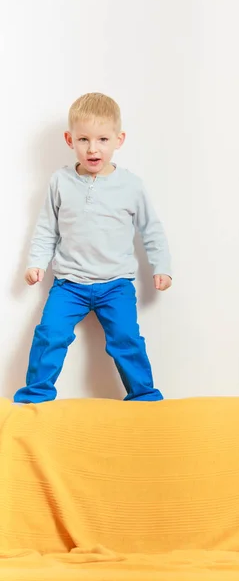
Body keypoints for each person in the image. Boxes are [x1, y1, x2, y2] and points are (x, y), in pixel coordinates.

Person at [14, 93, 171, 404]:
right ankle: (35, 396)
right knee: (50, 335)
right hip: (69, 284)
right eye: (83, 139)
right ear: (69, 139)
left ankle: (145, 396)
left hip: (115, 285)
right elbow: (47, 228)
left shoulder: (131, 185)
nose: (93, 148)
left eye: (102, 139)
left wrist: (161, 266)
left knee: (126, 340)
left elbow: (151, 229)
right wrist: (37, 263)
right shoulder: (59, 181)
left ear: (119, 139)